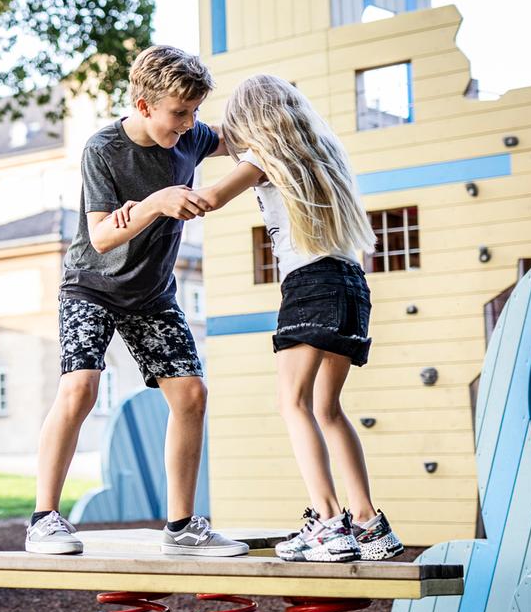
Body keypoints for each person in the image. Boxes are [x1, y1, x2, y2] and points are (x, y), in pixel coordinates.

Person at [119, 73, 404, 562]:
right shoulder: (323, 154)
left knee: (291, 403)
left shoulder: (263, 157)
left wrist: (151, 203)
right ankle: (368, 523)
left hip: (310, 284)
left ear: (253, 123)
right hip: (351, 285)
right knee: (328, 409)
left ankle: (328, 523)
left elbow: (206, 200)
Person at [24, 45, 248, 558]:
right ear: (144, 105)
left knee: (191, 395)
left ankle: (183, 526)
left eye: (194, 112)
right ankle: (44, 519)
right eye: (179, 113)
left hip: (152, 293)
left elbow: (238, 138)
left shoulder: (190, 137)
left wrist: (278, 124)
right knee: (80, 387)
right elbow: (101, 236)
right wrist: (158, 201)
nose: (190, 124)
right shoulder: (103, 148)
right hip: (92, 285)